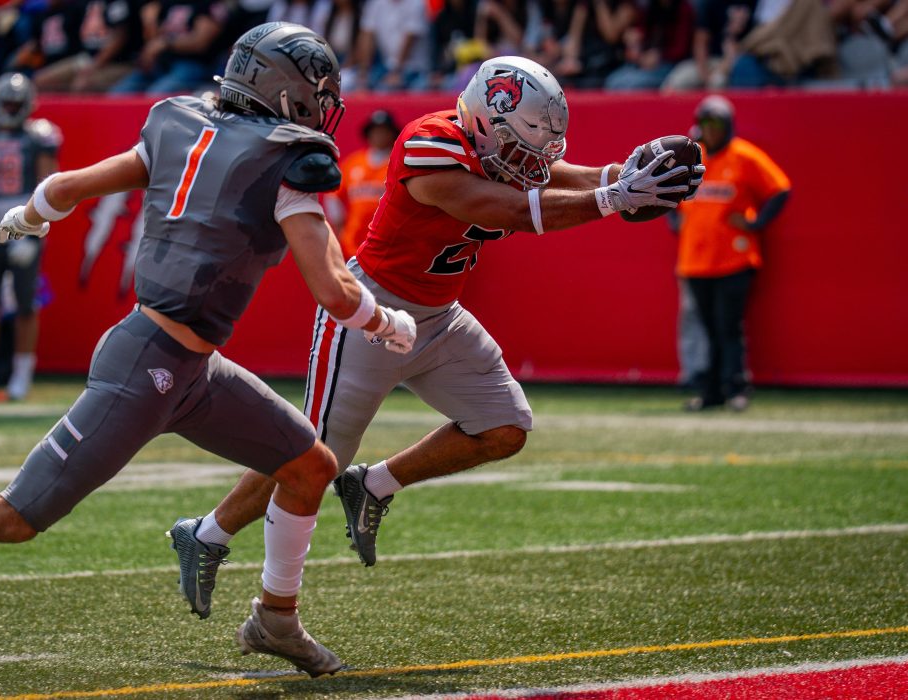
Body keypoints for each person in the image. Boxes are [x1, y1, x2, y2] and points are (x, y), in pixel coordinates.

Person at [0, 22, 417, 677]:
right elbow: (335, 292)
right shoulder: (289, 160)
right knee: (18, 515)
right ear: (285, 91)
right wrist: (386, 323)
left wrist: (30, 214)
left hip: (192, 367)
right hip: (148, 368)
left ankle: (276, 620)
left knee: (310, 466)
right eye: (319, 91)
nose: (325, 105)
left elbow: (67, 188)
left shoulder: (180, 124)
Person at [169, 56, 704, 618]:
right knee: (314, 457)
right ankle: (206, 534)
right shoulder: (430, 144)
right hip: (372, 314)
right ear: (483, 121)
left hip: (440, 316)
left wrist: (620, 175)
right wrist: (614, 197)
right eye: (518, 145)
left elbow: (548, 172)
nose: (529, 160)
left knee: (504, 427)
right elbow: (505, 208)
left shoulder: (497, 143)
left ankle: (374, 485)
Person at [675, 95, 789, 412]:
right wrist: (674, 217)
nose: (710, 130)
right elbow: (671, 191)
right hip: (695, 260)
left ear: (727, 126)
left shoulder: (744, 156)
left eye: (716, 124)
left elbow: (780, 188)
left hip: (733, 259)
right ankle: (711, 393)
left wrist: (756, 223)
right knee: (708, 329)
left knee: (729, 327)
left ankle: (736, 388)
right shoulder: (692, 157)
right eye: (705, 123)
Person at [0, 73, 60, 402]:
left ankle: (22, 374)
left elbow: (47, 187)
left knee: (25, 304)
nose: (8, 110)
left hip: (23, 224)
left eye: (14, 104)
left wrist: (33, 236)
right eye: (5, 104)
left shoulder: (38, 136)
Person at [325, 109, 397, 259]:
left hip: (389, 245)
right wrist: (339, 225)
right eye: (375, 131)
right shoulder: (354, 163)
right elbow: (333, 194)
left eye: (384, 131)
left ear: (392, 134)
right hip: (354, 244)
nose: (379, 135)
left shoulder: (398, 164)